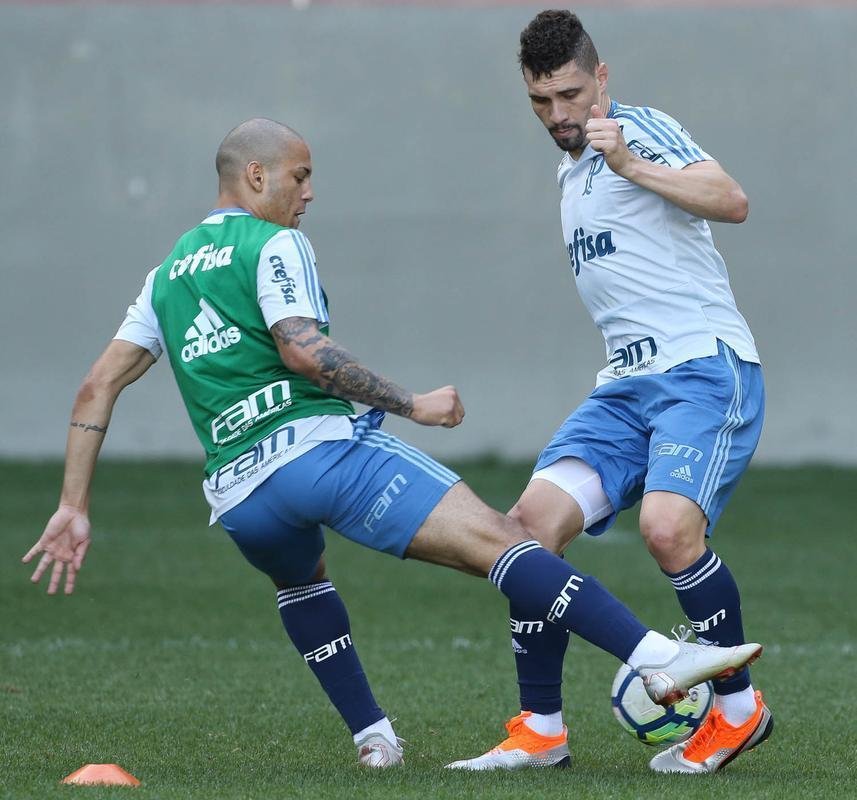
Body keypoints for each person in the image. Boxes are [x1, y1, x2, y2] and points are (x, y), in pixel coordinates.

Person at [22, 118, 761, 769]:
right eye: (300, 177)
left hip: (240, 499)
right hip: (319, 457)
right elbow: (303, 350)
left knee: (303, 587)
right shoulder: (272, 243)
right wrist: (413, 405)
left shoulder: (165, 276)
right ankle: (659, 656)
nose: (308, 194)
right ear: (255, 176)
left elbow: (95, 387)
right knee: (507, 542)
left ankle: (375, 737)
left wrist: (72, 505)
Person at [448, 11, 773, 775]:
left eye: (570, 94)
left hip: (701, 367)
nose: (558, 115)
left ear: (602, 78)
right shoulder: (574, 165)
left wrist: (629, 162)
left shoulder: (634, 130)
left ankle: (735, 710)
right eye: (540, 101)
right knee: (522, 532)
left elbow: (730, 200)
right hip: (625, 385)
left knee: (666, 529)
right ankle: (540, 729)